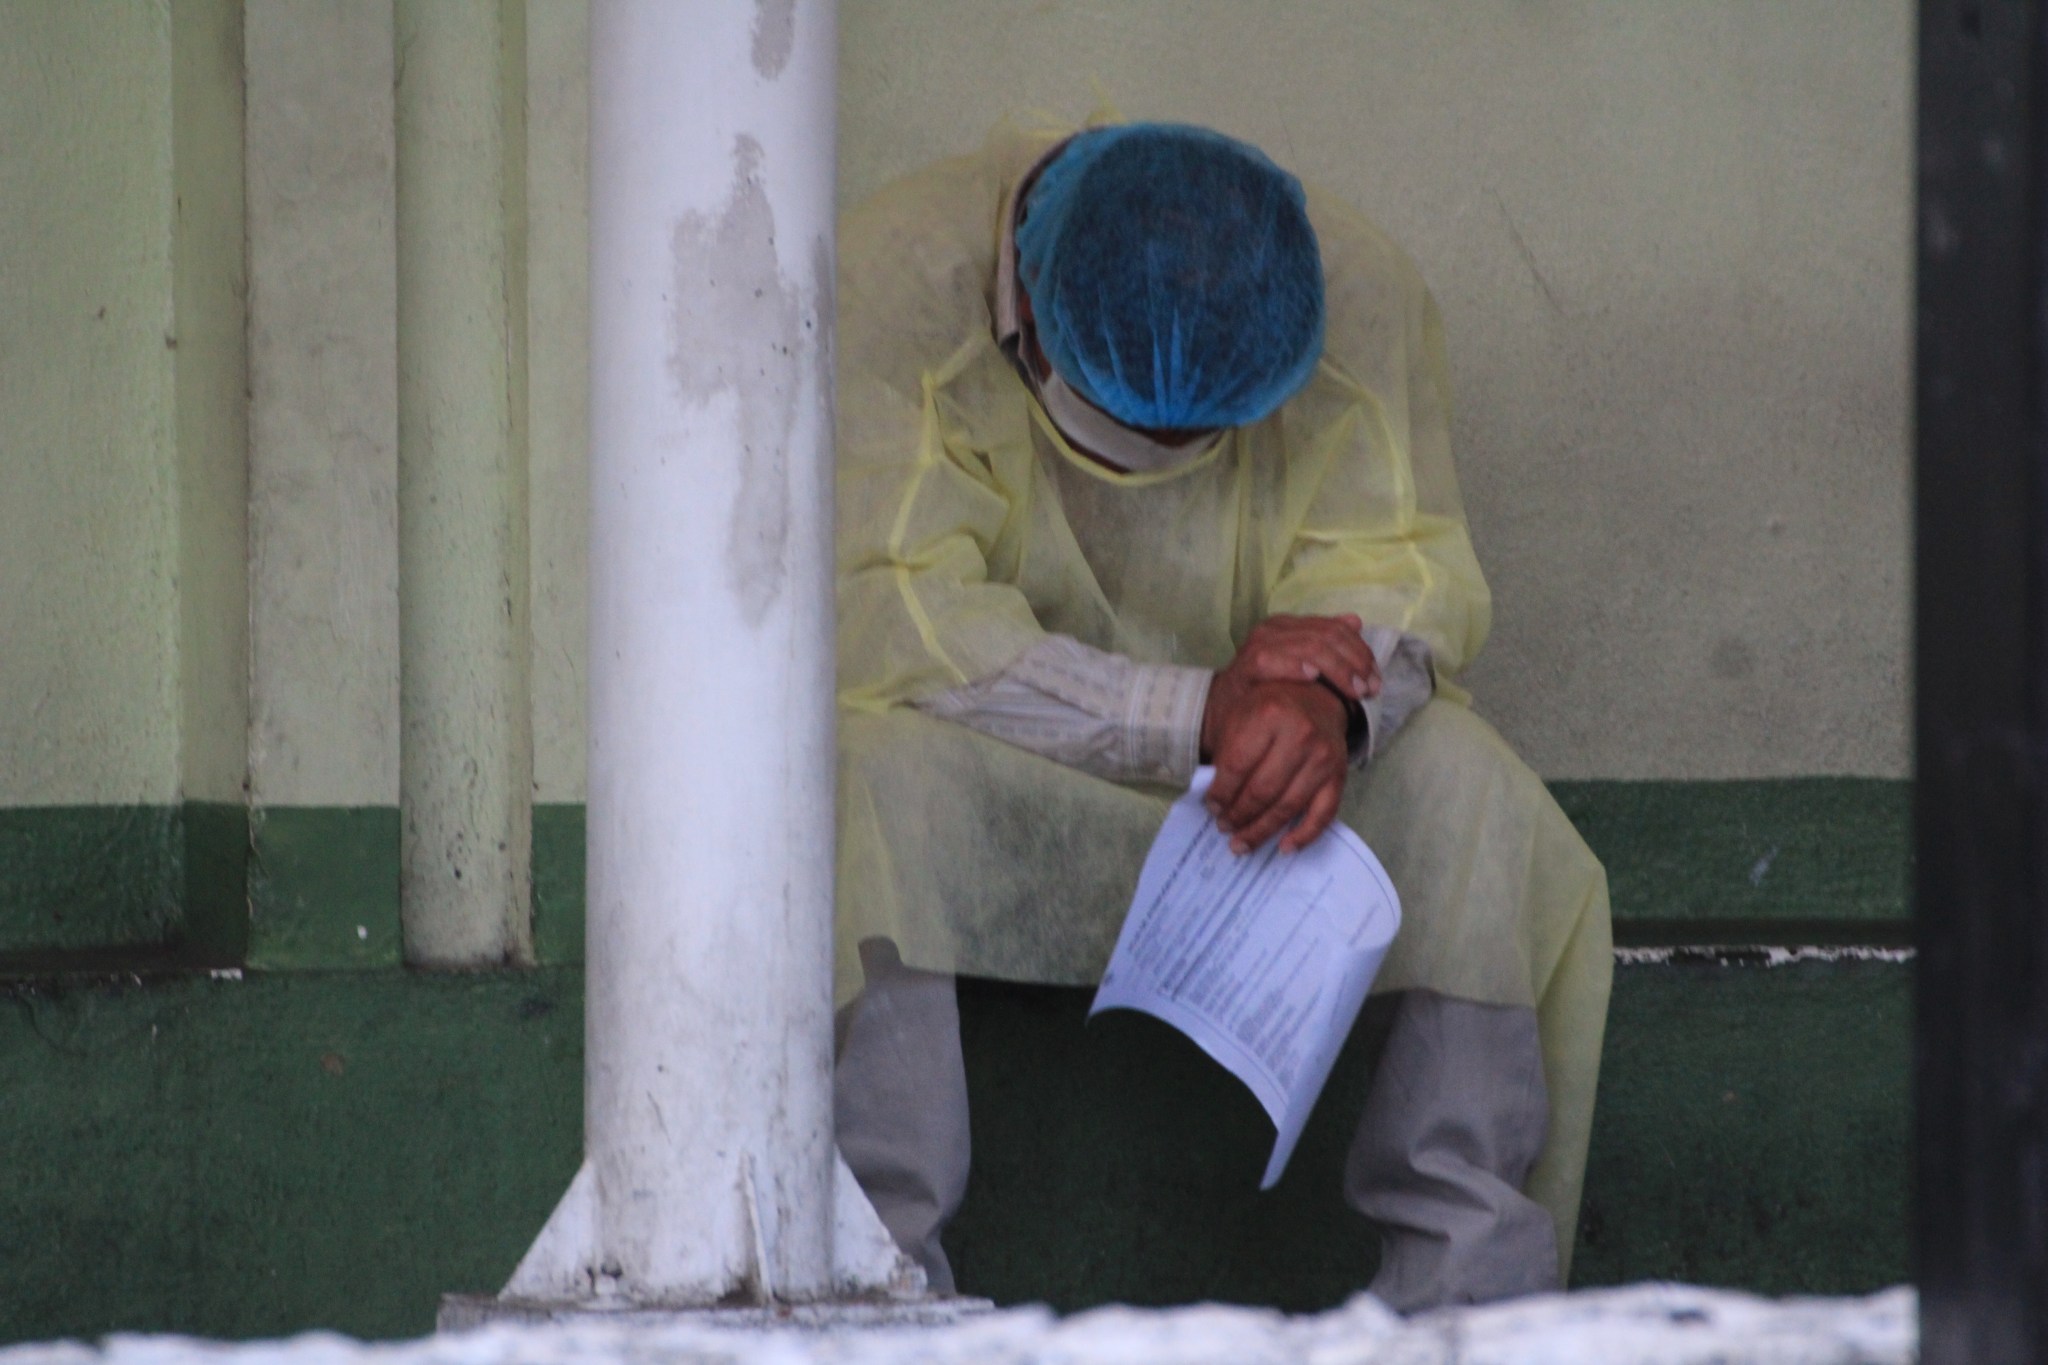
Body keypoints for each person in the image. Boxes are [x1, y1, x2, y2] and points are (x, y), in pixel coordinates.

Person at [830, 118, 1612, 1313]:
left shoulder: (1347, 292)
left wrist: (1320, 702)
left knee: (1470, 785)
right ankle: (866, 1287)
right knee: (858, 772)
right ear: (1023, 313)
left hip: (1260, 782)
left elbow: (1402, 566)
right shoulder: (892, 287)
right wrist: (1194, 709)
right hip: (1007, 755)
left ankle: (1466, 1303)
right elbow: (897, 618)